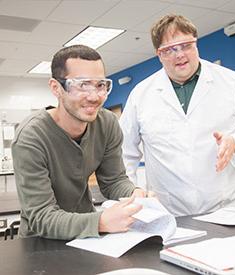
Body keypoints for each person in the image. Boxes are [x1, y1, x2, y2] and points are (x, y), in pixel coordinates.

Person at [120, 14, 235, 216]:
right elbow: (124, 151)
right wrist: (131, 191)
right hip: (169, 212)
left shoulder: (231, 82)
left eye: (186, 45)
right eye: (169, 50)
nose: (180, 55)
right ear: (159, 54)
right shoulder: (141, 94)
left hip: (228, 207)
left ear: (196, 44)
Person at [15, 45, 152, 240]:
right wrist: (101, 222)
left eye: (100, 85)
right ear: (56, 88)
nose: (94, 96)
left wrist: (135, 194)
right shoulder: (31, 137)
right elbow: (41, 216)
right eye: (82, 85)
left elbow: (113, 181)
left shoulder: (107, 123)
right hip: (40, 243)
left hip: (88, 236)